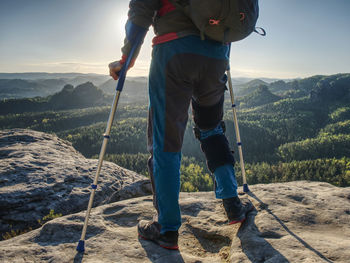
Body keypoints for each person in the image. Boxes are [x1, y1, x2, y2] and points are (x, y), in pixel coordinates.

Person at [109, 0, 253, 250]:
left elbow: (141, 9)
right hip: (217, 54)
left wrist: (126, 58)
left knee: (165, 140)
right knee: (211, 128)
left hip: (174, 52)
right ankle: (233, 206)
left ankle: (166, 228)